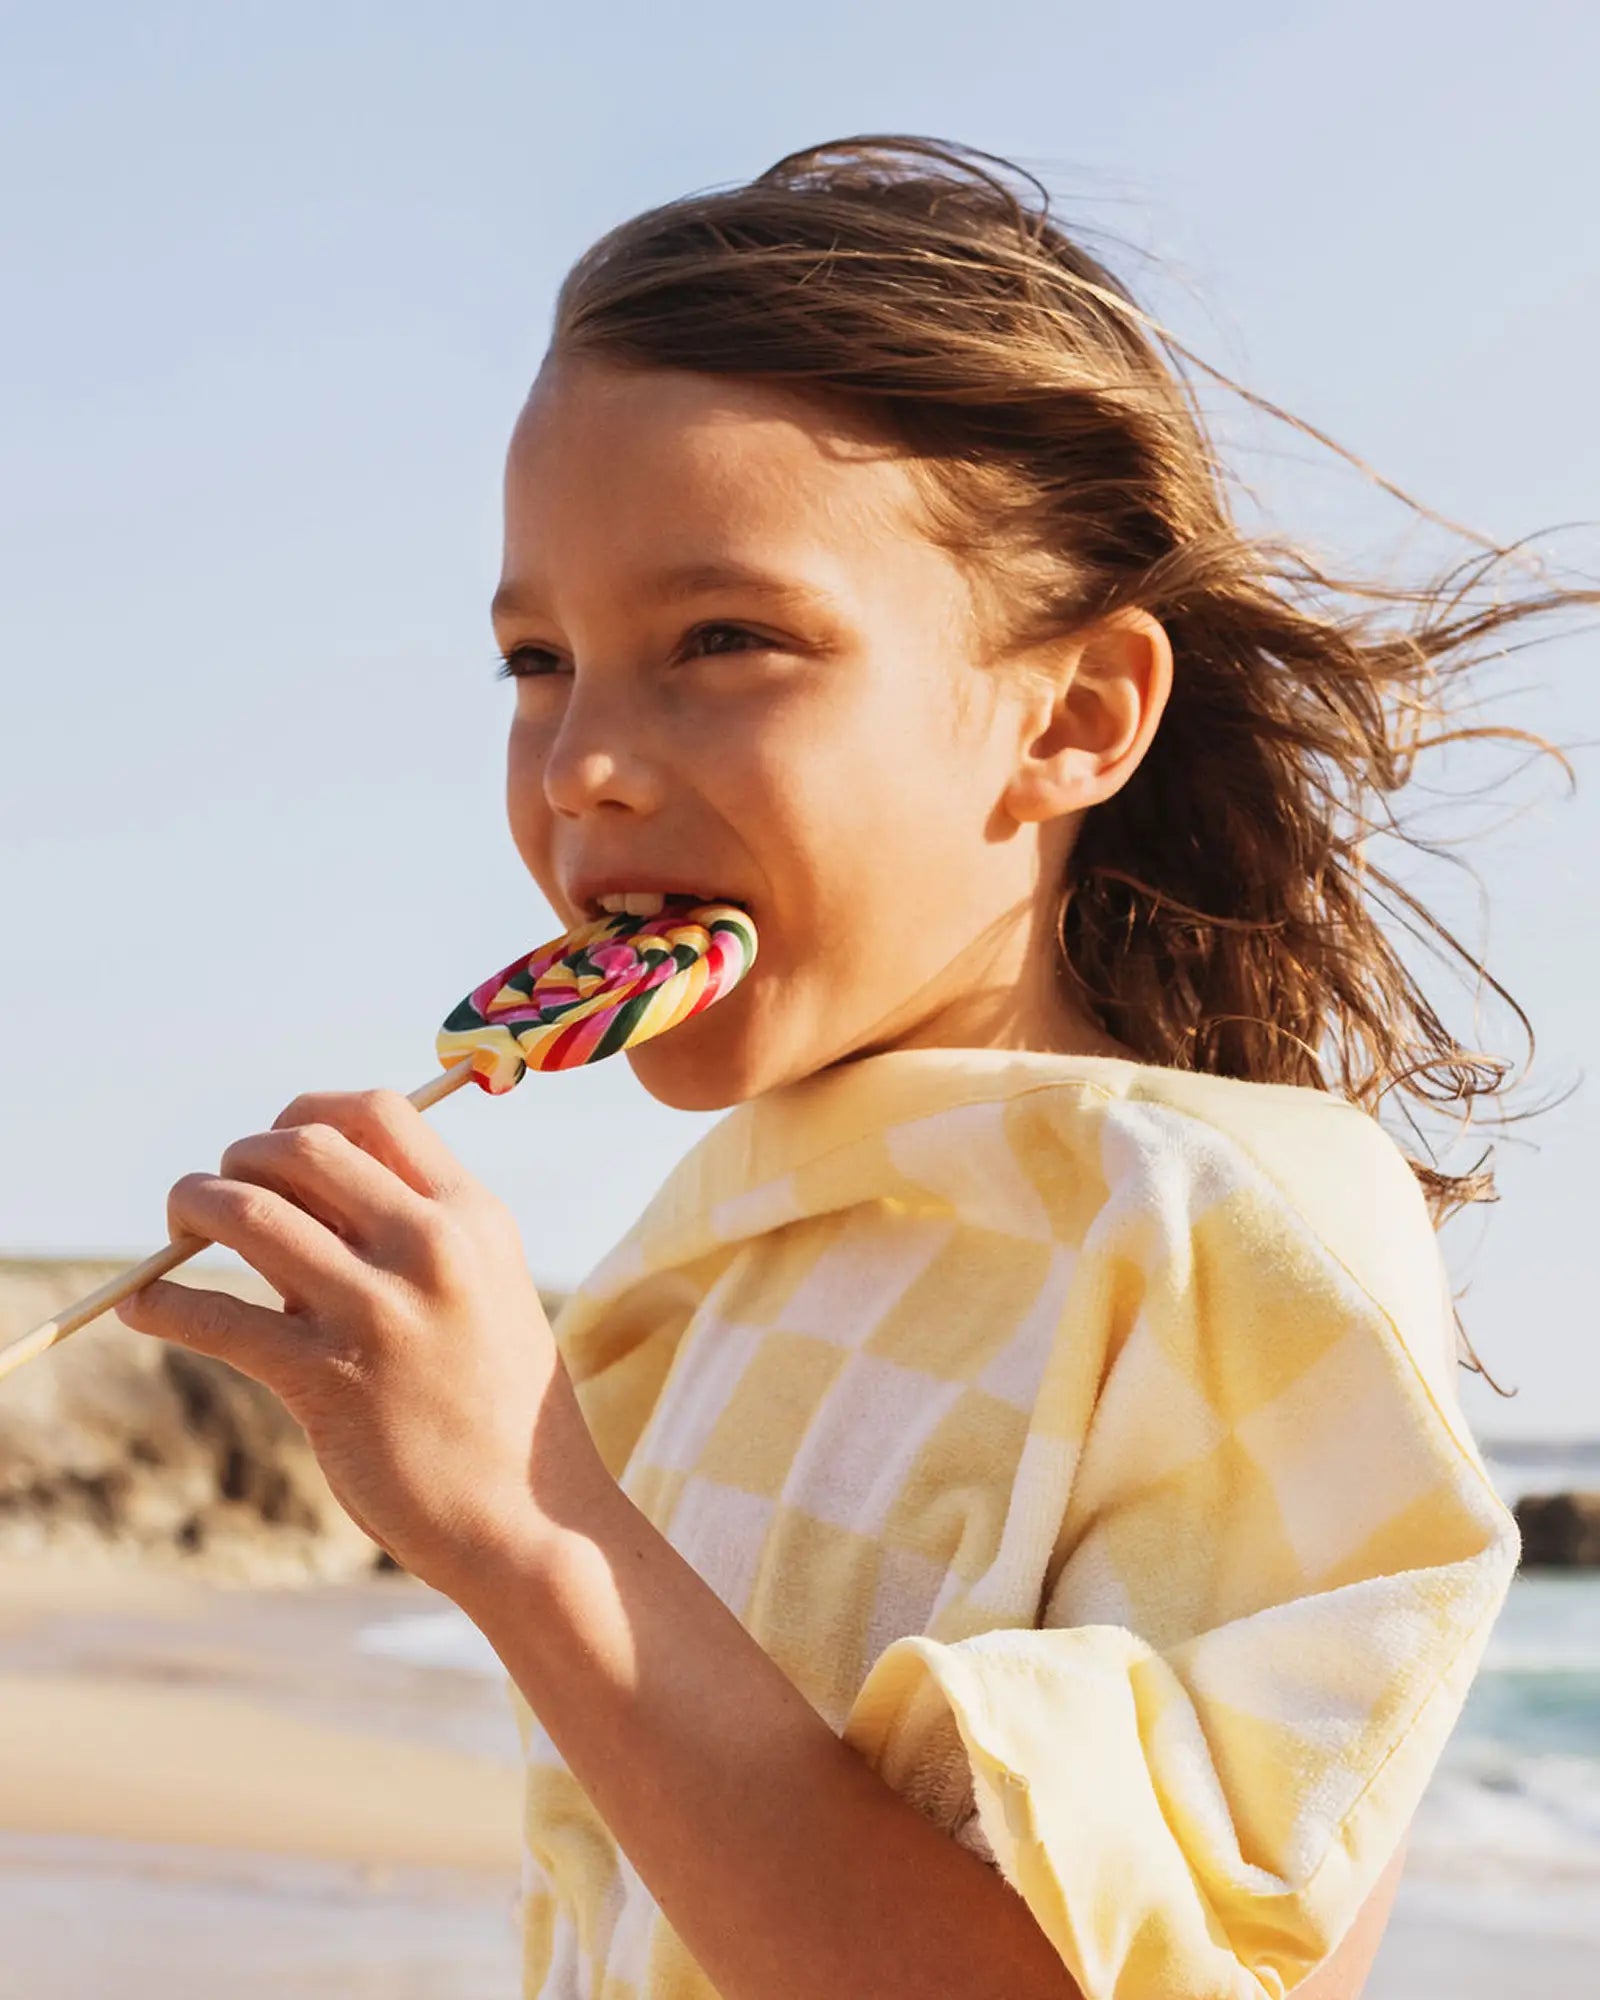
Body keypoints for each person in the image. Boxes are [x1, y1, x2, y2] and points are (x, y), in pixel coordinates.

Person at [115, 135, 1594, 1999]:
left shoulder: (1229, 1236)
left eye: (725, 639)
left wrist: (528, 1521)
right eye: (535, 658)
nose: (582, 759)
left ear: (1073, 717)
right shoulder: (702, 1264)